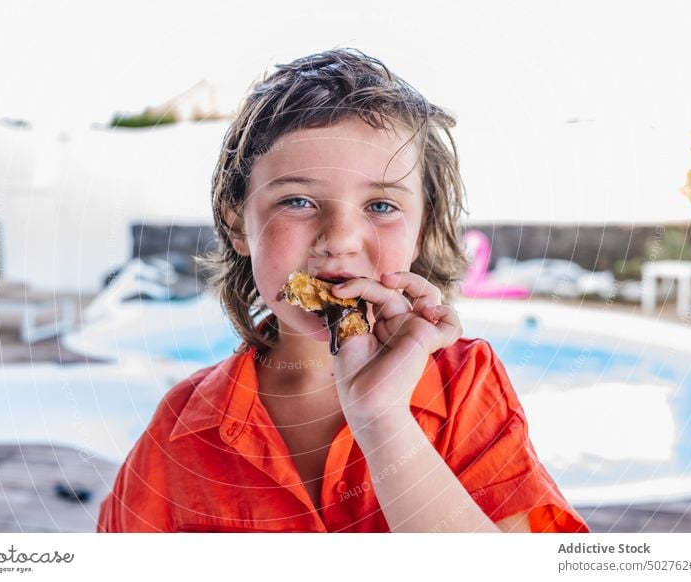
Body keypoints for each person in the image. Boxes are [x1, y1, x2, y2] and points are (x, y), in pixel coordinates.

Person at [97, 48, 588, 533]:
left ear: (421, 227)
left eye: (380, 206)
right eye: (298, 200)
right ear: (237, 223)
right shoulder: (180, 431)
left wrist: (382, 418)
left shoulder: (465, 389)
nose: (340, 238)